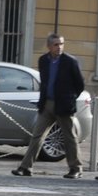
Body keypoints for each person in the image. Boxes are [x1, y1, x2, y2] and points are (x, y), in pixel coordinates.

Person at [11, 33, 85, 179]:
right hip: (46, 104)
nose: (59, 47)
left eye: (61, 44)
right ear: (49, 46)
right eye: (56, 44)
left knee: (69, 136)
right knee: (37, 136)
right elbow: (44, 82)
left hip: (63, 105)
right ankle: (25, 167)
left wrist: (70, 99)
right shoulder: (43, 60)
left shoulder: (70, 61)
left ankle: (76, 168)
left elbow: (80, 84)